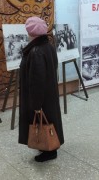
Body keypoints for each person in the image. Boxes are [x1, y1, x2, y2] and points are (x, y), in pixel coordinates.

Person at [18, 16, 64, 162]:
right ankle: (49, 146)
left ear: (31, 32)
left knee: (44, 122)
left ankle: (49, 151)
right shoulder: (48, 46)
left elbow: (37, 81)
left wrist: (36, 105)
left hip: (41, 97)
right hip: (49, 93)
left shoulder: (35, 51)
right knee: (50, 120)